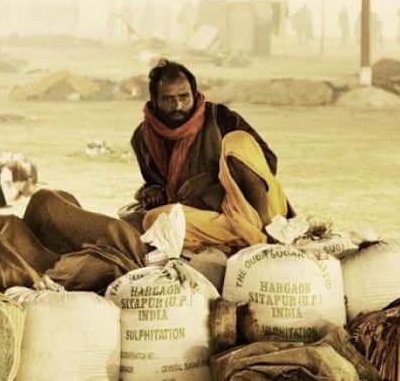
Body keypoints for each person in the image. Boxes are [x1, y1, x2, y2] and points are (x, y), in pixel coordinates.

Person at [119, 59, 293, 252]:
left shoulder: (221, 118)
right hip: (212, 218)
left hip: (255, 208)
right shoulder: (143, 137)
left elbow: (267, 162)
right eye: (168, 99)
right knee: (154, 220)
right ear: (155, 101)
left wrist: (212, 179)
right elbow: (157, 184)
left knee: (239, 141)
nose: (178, 105)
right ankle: (246, 237)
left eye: (184, 97)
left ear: (194, 95)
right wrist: (152, 191)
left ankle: (265, 229)